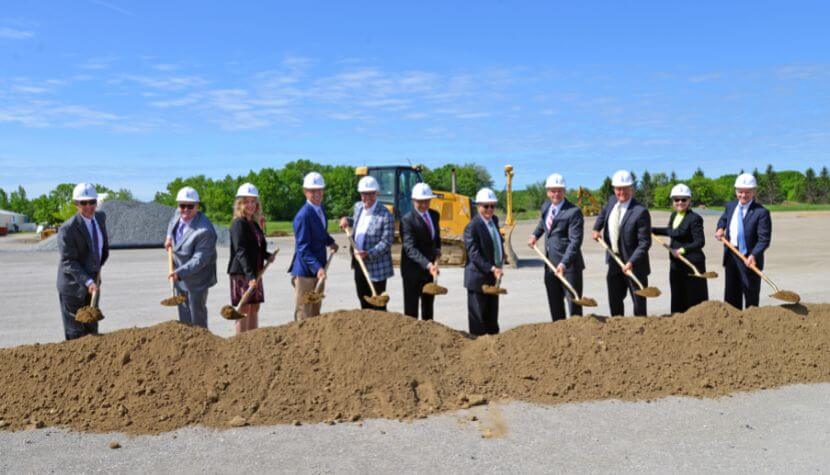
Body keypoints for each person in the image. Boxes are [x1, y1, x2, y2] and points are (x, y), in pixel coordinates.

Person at [592, 170, 652, 316]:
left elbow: (645, 242)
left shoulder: (640, 211)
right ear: (614, 189)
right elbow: (603, 213)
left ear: (631, 188)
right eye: (618, 188)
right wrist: (596, 228)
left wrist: (631, 262)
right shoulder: (612, 201)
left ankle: (641, 331)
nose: (621, 192)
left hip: (634, 265)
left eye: (625, 188)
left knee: (638, 302)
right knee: (614, 299)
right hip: (614, 259)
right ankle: (618, 330)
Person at [528, 173, 585, 321]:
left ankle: (577, 337)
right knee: (555, 305)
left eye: (559, 190)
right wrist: (535, 235)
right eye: (553, 191)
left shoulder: (574, 212)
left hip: (569, 267)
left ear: (564, 191)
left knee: (574, 306)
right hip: (550, 265)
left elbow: (575, 241)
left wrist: (564, 263)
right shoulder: (546, 207)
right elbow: (543, 224)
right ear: (548, 192)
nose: (556, 194)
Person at [56, 183, 110, 340]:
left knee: (92, 328)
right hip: (73, 286)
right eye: (83, 203)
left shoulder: (100, 218)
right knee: (76, 333)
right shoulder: (68, 229)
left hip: (93, 282)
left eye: (92, 202)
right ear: (76, 204)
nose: (88, 207)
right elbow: (68, 261)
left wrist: (95, 276)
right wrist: (87, 281)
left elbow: (100, 251)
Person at [715, 173, 771, 309]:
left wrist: (753, 255)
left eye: (747, 192)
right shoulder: (731, 206)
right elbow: (723, 219)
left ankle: (751, 324)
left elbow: (764, 239)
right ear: (736, 191)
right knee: (731, 295)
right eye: (740, 192)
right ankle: (733, 324)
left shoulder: (761, 212)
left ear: (754, 192)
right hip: (731, 255)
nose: (743, 195)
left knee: (750, 295)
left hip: (750, 258)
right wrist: (720, 228)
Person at [164, 187, 218, 329]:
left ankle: (202, 347)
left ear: (197, 206)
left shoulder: (205, 231)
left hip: (197, 279)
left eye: (190, 206)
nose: (185, 210)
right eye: (182, 205)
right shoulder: (178, 214)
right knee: (184, 315)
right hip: (179, 275)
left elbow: (199, 259)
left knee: (196, 317)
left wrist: (179, 273)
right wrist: (169, 237)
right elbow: (171, 223)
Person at [339, 176, 394, 311]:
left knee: (378, 305)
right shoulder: (358, 207)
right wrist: (347, 219)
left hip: (376, 266)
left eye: (370, 193)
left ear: (377, 193)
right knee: (362, 298)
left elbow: (386, 242)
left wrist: (368, 253)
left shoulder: (386, 215)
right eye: (364, 193)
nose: (367, 197)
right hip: (359, 262)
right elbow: (357, 221)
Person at [227, 183, 276, 334]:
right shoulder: (238, 224)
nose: (251, 205)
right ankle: (241, 344)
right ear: (240, 204)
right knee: (244, 308)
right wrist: (249, 276)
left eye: (253, 201)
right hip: (242, 273)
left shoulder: (253, 223)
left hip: (254, 271)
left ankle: (254, 343)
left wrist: (267, 255)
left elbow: (256, 248)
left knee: (254, 307)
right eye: (247, 201)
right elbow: (240, 251)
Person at [652, 184, 709, 313]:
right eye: (676, 199)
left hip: (692, 263)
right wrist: (652, 230)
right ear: (673, 201)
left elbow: (700, 242)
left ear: (689, 200)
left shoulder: (695, 218)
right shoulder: (673, 216)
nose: (680, 202)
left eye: (684, 199)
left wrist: (682, 250)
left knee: (693, 298)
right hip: (676, 263)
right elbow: (671, 231)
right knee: (678, 294)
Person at [289, 172, 339, 320]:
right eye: (313, 191)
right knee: (304, 313)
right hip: (305, 272)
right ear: (305, 192)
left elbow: (321, 233)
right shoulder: (303, 215)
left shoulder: (320, 209)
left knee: (316, 312)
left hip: (319, 269)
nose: (317, 194)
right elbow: (303, 248)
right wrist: (318, 268)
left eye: (320, 190)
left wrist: (330, 242)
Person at [463, 188, 505, 336]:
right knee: (478, 322)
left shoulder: (494, 220)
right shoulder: (472, 227)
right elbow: (474, 254)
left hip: (493, 277)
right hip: (478, 279)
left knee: (492, 320)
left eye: (492, 206)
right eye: (485, 206)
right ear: (478, 206)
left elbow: (494, 241)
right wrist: (492, 268)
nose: (489, 209)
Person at [400, 182, 442, 320]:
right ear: (413, 201)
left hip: (429, 272)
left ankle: (428, 338)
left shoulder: (434, 215)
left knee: (428, 309)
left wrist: (437, 249)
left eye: (426, 201)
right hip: (412, 272)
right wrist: (428, 265)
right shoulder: (407, 220)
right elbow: (410, 248)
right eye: (420, 202)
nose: (424, 205)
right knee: (411, 311)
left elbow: (436, 237)